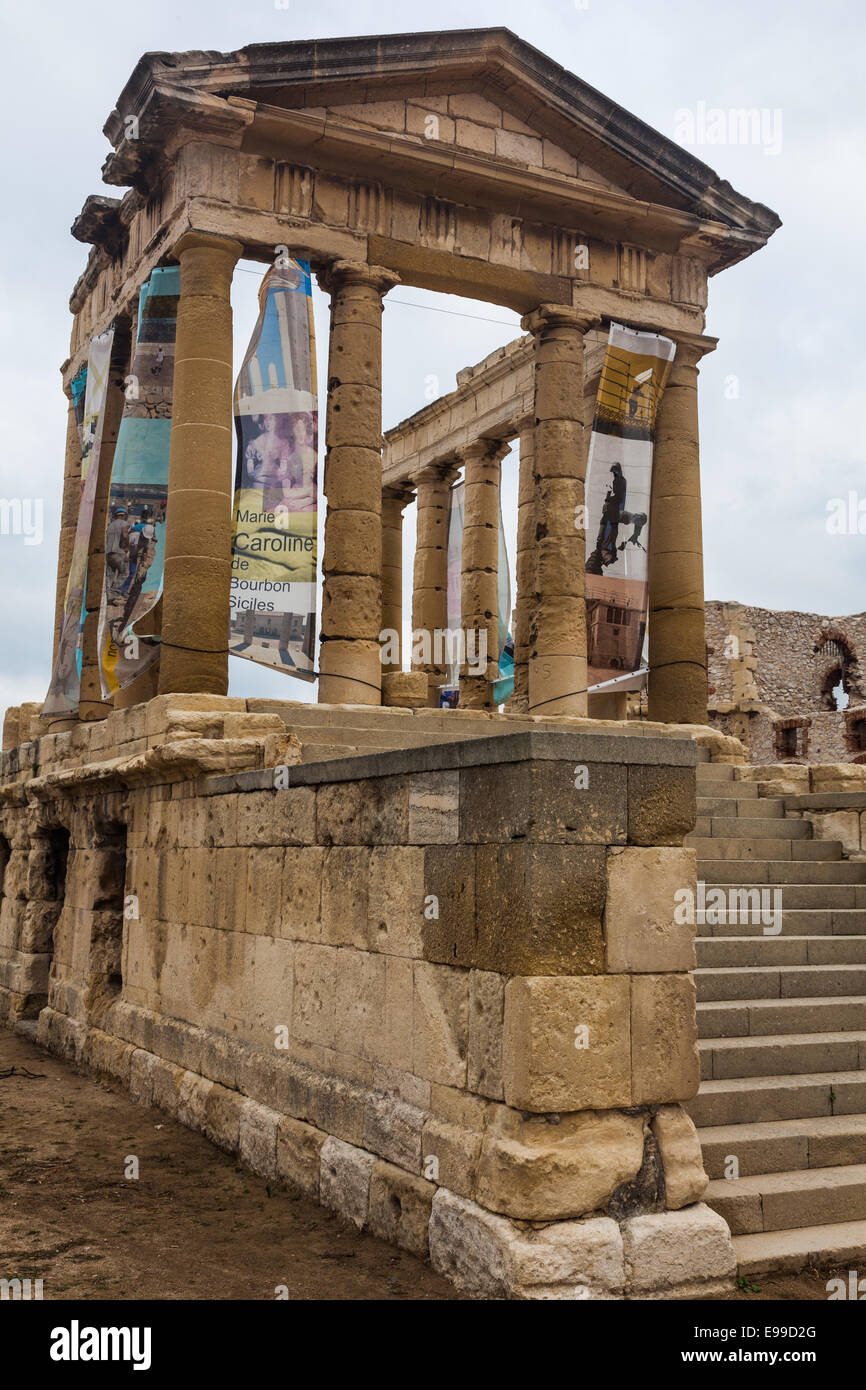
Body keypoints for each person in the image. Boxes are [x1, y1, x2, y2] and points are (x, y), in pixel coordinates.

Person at [104, 505, 129, 598]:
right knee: (125, 573)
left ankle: (108, 594)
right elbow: (125, 536)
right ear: (124, 516)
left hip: (109, 554)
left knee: (110, 574)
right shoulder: (124, 524)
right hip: (119, 553)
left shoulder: (109, 526)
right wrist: (127, 549)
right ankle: (114, 589)